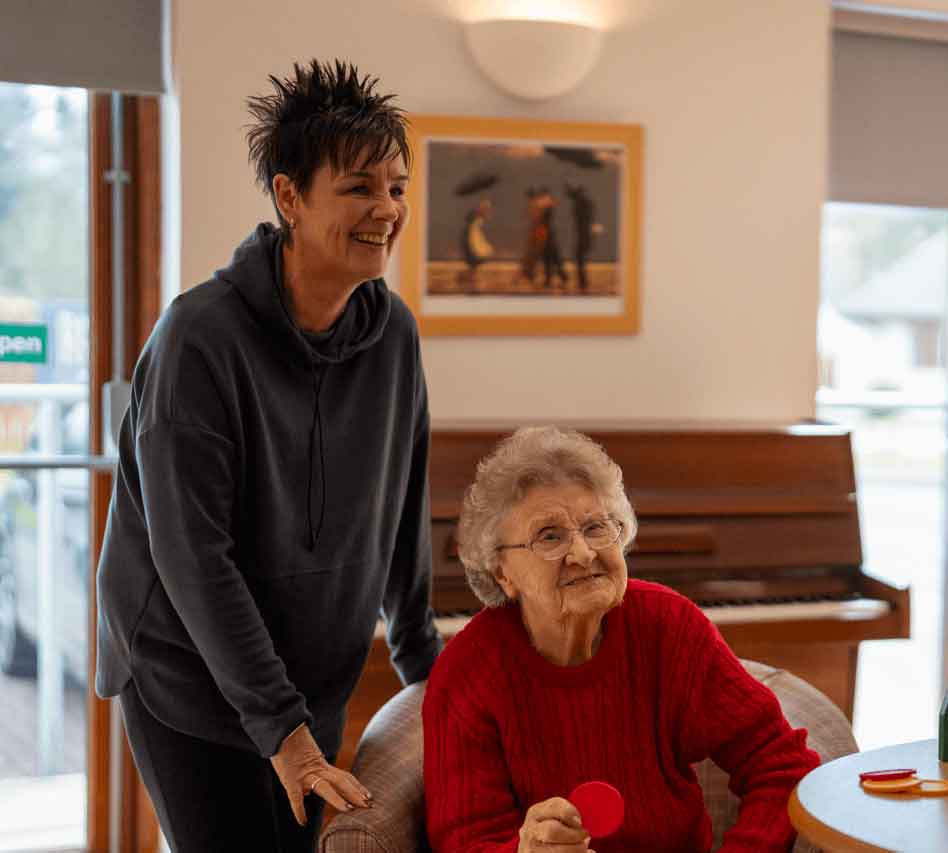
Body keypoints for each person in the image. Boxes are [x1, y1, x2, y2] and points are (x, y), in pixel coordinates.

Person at [94, 59, 441, 852]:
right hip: (186, 672)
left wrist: (425, 661)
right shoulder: (198, 340)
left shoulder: (392, 337)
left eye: (396, 185)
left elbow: (403, 501)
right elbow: (193, 559)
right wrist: (283, 734)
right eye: (359, 187)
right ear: (289, 197)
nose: (386, 209)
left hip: (310, 671)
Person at [422, 427, 819, 852]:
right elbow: (464, 841)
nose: (583, 553)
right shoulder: (468, 673)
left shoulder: (667, 626)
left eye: (595, 527)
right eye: (550, 537)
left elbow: (780, 764)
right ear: (503, 574)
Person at [566, 183, 595, 292]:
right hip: (584, 235)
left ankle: (582, 283)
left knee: (579, 259)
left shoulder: (579, 202)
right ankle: (583, 283)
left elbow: (580, 221)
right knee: (580, 259)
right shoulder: (585, 201)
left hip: (582, 235)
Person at [458, 198, 494, 289]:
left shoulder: (480, 216)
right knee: (474, 257)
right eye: (485, 207)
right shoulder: (474, 215)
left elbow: (478, 227)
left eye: (487, 208)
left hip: (474, 238)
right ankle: (468, 277)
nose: (486, 210)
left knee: (476, 259)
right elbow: (471, 226)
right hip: (470, 239)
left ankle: (468, 277)